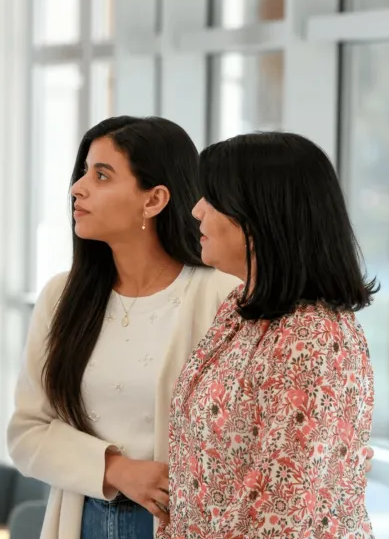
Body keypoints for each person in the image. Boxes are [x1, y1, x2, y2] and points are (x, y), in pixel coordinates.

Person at [7, 116, 241, 539]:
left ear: (154, 200)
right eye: (83, 173)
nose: (77, 189)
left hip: (176, 524)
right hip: (83, 520)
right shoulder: (61, 297)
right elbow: (27, 432)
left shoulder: (222, 297)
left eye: (101, 175)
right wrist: (117, 470)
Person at [157, 132, 377, 539]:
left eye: (212, 197)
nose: (196, 210)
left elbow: (281, 511)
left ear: (259, 214)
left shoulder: (311, 337)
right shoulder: (240, 309)